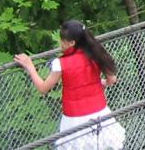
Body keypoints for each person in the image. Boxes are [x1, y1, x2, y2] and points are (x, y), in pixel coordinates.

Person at [15, 21, 126, 149]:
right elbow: (112, 79)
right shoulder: (96, 54)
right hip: (100, 113)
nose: (60, 43)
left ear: (72, 42)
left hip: (75, 119)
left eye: (62, 40)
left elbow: (43, 88)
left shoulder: (61, 63)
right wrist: (102, 83)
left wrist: (30, 66)